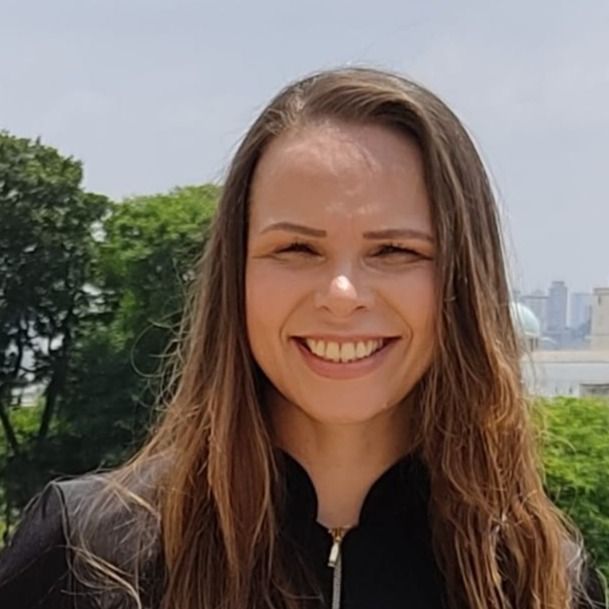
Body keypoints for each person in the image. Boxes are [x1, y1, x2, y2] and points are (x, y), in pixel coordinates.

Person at [0, 66, 606, 609]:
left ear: (462, 281)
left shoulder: (538, 579)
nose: (342, 292)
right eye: (296, 248)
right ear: (236, 274)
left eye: (395, 250)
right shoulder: (85, 553)